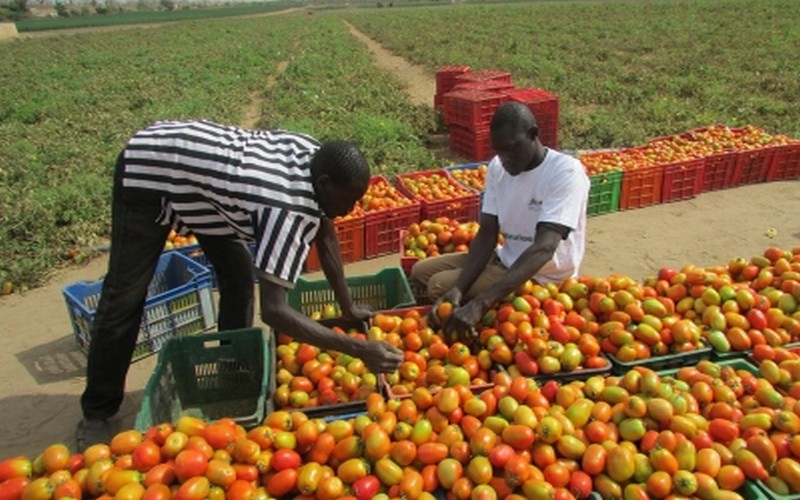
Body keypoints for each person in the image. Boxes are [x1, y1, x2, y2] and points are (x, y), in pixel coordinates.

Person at [76, 119, 404, 451]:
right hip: (151, 170)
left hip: (211, 188)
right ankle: (97, 412)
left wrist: (347, 307)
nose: (352, 210)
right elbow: (274, 311)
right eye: (348, 201)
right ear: (324, 182)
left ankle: (228, 372)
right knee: (125, 295)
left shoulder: (315, 159)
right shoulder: (286, 208)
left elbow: (326, 232)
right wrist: (359, 349)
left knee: (237, 278)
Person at [411, 101, 590, 340]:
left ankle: (476, 316)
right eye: (499, 151)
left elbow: (544, 249)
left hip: (539, 275)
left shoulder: (565, 173)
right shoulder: (498, 168)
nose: (505, 158)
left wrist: (481, 304)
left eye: (512, 149)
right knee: (420, 271)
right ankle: (463, 298)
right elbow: (487, 233)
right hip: (504, 258)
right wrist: (459, 289)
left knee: (436, 286)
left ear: (533, 134)